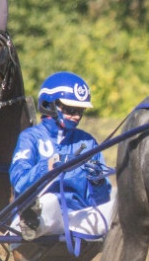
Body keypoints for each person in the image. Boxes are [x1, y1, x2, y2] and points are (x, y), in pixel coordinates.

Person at [10, 72, 113, 241]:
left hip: (79, 220)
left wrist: (98, 182)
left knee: (119, 204)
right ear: (49, 105)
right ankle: (31, 221)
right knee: (50, 201)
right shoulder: (30, 137)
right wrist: (47, 167)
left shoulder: (88, 142)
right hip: (41, 218)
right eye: (71, 109)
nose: (77, 116)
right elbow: (19, 182)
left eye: (81, 111)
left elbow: (101, 201)